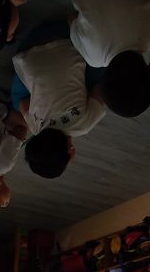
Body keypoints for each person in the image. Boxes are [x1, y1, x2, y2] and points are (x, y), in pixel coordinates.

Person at [11, 19, 107, 178]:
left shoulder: (83, 125)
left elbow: (100, 89)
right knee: (17, 102)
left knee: (99, 77)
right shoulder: (35, 128)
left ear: (70, 149)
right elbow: (23, 103)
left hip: (66, 36)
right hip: (28, 47)